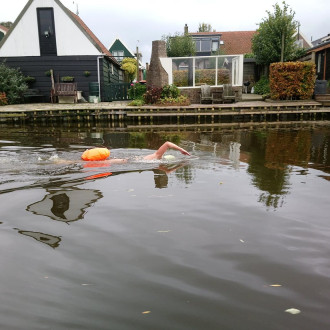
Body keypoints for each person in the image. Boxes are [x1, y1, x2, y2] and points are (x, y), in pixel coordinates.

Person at [81, 141, 191, 164]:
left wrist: (182, 150)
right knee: (103, 162)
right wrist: (182, 150)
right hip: (129, 161)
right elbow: (167, 143)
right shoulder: (157, 156)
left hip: (131, 160)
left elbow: (167, 144)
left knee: (104, 162)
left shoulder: (156, 156)